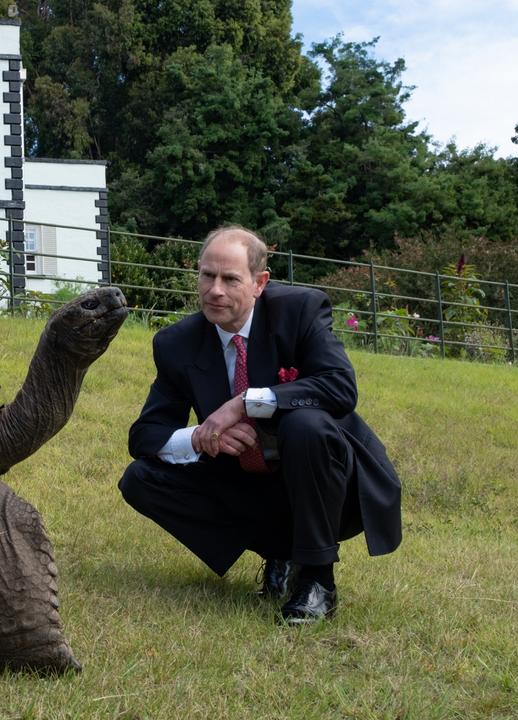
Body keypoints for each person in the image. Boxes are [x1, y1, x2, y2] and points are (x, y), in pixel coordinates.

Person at [118, 226, 401, 624]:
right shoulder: (176, 343)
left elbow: (339, 387)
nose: (215, 290)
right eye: (206, 275)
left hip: (332, 485)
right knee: (139, 479)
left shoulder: (300, 310)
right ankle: (277, 550)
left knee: (305, 425)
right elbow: (145, 435)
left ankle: (318, 579)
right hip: (248, 481)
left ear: (259, 283)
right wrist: (201, 437)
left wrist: (245, 403)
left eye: (230, 279)